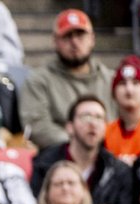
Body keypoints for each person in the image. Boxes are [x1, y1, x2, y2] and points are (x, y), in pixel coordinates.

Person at [29, 95, 134, 204]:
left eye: (99, 118)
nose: (93, 123)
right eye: (86, 116)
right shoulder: (44, 164)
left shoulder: (118, 170)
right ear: (70, 127)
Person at [19, 9, 115, 151]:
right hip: (61, 158)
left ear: (92, 39)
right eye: (67, 36)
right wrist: (80, 144)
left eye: (80, 35)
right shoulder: (38, 80)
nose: (74, 42)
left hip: (112, 152)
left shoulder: (111, 80)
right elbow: (37, 126)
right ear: (55, 41)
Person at [104, 57, 140, 165]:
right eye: (122, 83)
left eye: (136, 83)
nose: (129, 90)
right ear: (113, 94)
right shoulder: (105, 133)